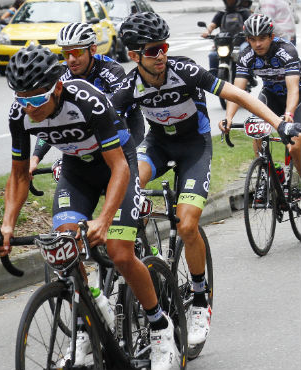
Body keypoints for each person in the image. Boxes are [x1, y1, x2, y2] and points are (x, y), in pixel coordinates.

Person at [0, 43, 181, 370]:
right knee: (64, 242)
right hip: (77, 171)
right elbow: (19, 176)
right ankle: (87, 321)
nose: (29, 107)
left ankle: (161, 328)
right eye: (22, 98)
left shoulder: (87, 101)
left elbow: (119, 167)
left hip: (118, 166)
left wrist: (104, 220)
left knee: (119, 251)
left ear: (58, 87)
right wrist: (7, 226)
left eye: (37, 98)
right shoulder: (20, 113)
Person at [112, 11, 301, 346]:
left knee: (186, 227)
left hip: (194, 148)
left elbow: (238, 95)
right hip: (156, 145)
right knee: (128, 186)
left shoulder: (183, 69)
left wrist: (279, 123)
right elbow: (103, 128)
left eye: (164, 47)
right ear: (133, 55)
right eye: (153, 50)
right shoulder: (129, 87)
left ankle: (200, 300)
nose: (161, 55)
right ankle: (144, 268)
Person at [29, 22, 145, 173]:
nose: (71, 59)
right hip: (85, 138)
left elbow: (117, 117)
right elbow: (51, 121)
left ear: (92, 49)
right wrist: (35, 158)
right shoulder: (62, 76)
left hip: (122, 126)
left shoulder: (111, 71)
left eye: (76, 52)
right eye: (66, 54)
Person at [220, 13, 301, 178]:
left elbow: (293, 89)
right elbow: (237, 92)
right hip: (270, 95)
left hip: (296, 98)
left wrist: (289, 113)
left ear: (271, 37)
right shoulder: (246, 56)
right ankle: (269, 174)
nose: (257, 44)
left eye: (262, 38)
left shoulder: (287, 51)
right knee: (257, 132)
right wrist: (228, 117)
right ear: (247, 39)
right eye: (252, 39)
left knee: (295, 145)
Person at [201, 0, 251, 76]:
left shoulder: (244, 13)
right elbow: (212, 25)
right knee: (213, 55)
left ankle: (248, 76)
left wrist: (248, 33)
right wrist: (207, 32)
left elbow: (250, 25)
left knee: (244, 53)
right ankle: (212, 79)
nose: (230, 2)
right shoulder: (221, 13)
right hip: (224, 43)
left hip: (241, 42)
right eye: (228, 1)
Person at [0, 0, 24, 72]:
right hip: (1, 31)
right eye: (22, 4)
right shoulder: (13, 10)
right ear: (19, 4)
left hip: (10, 33)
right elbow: (2, 18)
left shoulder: (22, 12)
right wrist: (9, 22)